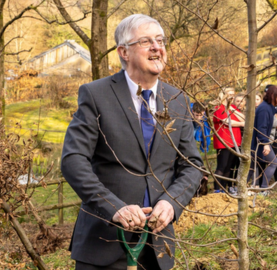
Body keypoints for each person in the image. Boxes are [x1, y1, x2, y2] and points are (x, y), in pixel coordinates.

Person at [61, 14, 202, 270]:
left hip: (158, 248)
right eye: (146, 41)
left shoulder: (177, 99)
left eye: (160, 40)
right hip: (104, 242)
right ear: (123, 52)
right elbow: (73, 161)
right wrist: (114, 207)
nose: (157, 47)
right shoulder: (95, 95)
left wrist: (171, 203)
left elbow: (191, 164)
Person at [248, 85, 277, 195]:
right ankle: (263, 189)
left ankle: (258, 188)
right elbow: (261, 128)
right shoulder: (264, 108)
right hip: (259, 142)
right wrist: (265, 144)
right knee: (273, 162)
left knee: (253, 166)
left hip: (261, 142)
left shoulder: (269, 107)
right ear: (273, 96)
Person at [212, 88, 242, 194]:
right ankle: (217, 188)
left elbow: (244, 118)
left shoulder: (233, 107)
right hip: (223, 141)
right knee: (222, 165)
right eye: (229, 95)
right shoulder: (218, 108)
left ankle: (224, 188)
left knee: (229, 166)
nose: (232, 97)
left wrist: (232, 111)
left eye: (233, 95)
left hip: (235, 141)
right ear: (223, 95)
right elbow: (227, 122)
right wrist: (242, 124)